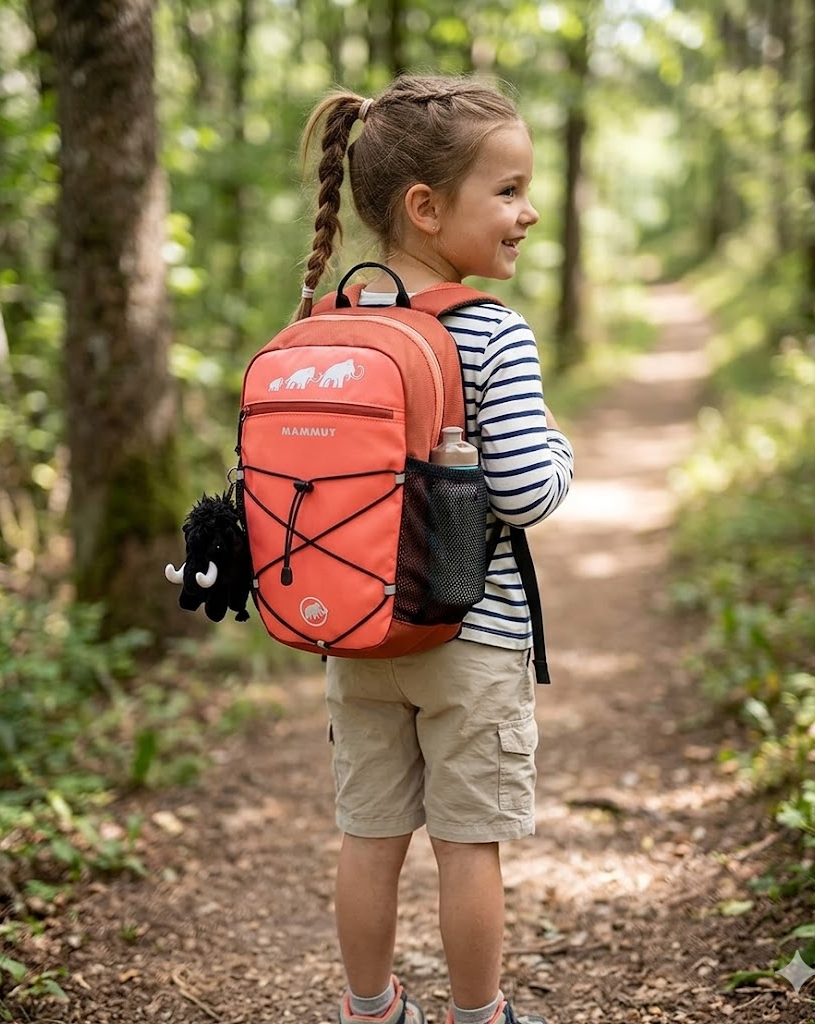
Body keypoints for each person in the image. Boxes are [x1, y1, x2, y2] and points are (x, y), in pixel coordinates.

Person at [294, 74, 574, 1024]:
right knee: (467, 846)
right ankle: (479, 1016)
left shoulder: (329, 325)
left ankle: (370, 1009)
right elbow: (526, 492)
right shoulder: (492, 331)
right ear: (425, 207)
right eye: (508, 190)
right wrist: (564, 451)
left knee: (369, 837)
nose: (528, 211)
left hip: (355, 631)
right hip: (470, 635)